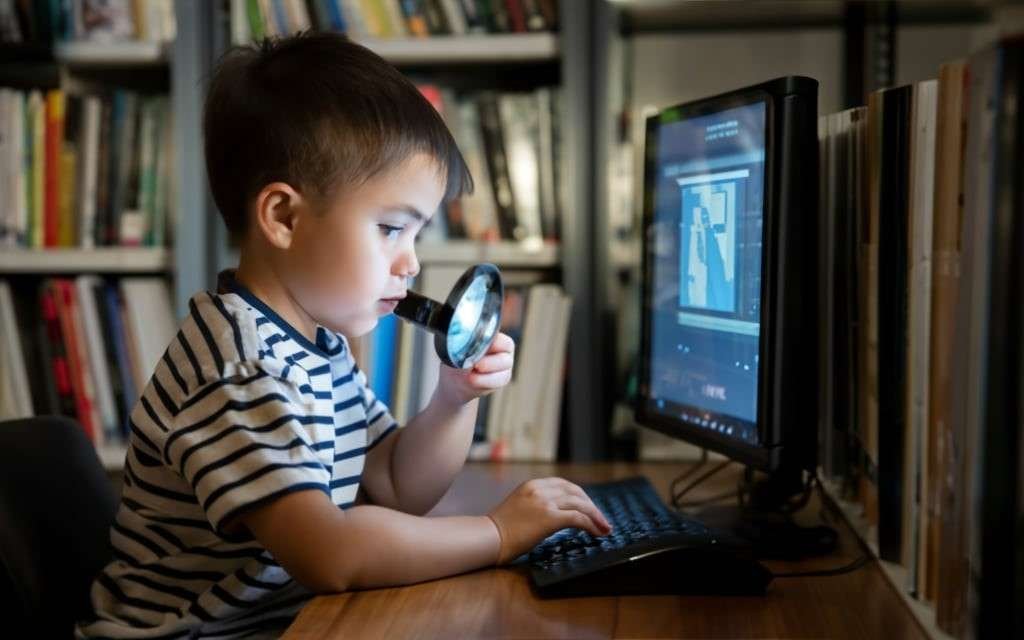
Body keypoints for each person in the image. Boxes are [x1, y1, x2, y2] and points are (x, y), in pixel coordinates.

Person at [76, 31, 611, 639]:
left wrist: (453, 399)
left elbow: (395, 486)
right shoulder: (243, 368)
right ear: (283, 217)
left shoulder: (315, 347)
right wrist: (497, 533)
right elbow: (329, 553)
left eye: (415, 236)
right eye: (390, 229)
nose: (410, 265)